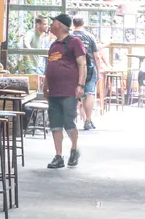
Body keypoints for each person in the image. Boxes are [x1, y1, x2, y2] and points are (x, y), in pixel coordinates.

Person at [43, 13, 86, 169]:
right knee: (55, 124)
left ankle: (74, 149)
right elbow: (49, 67)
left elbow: (82, 64)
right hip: (54, 91)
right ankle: (58, 155)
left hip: (69, 90)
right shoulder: (54, 45)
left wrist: (80, 85)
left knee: (69, 121)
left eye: (53, 21)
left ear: (59, 25)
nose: (51, 24)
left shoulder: (74, 42)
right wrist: (45, 85)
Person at [72, 15, 107, 131]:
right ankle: (88, 119)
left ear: (73, 24)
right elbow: (96, 56)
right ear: (83, 23)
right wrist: (98, 70)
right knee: (90, 93)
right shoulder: (90, 36)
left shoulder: (69, 37)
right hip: (89, 67)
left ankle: (85, 119)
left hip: (74, 68)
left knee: (79, 94)